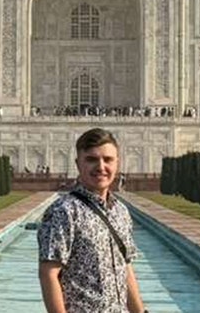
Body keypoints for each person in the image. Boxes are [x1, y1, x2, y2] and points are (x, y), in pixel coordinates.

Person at [37, 128, 146, 313]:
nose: (101, 167)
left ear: (117, 163)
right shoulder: (63, 211)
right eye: (92, 159)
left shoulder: (120, 212)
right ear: (78, 164)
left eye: (108, 159)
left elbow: (125, 269)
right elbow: (49, 274)